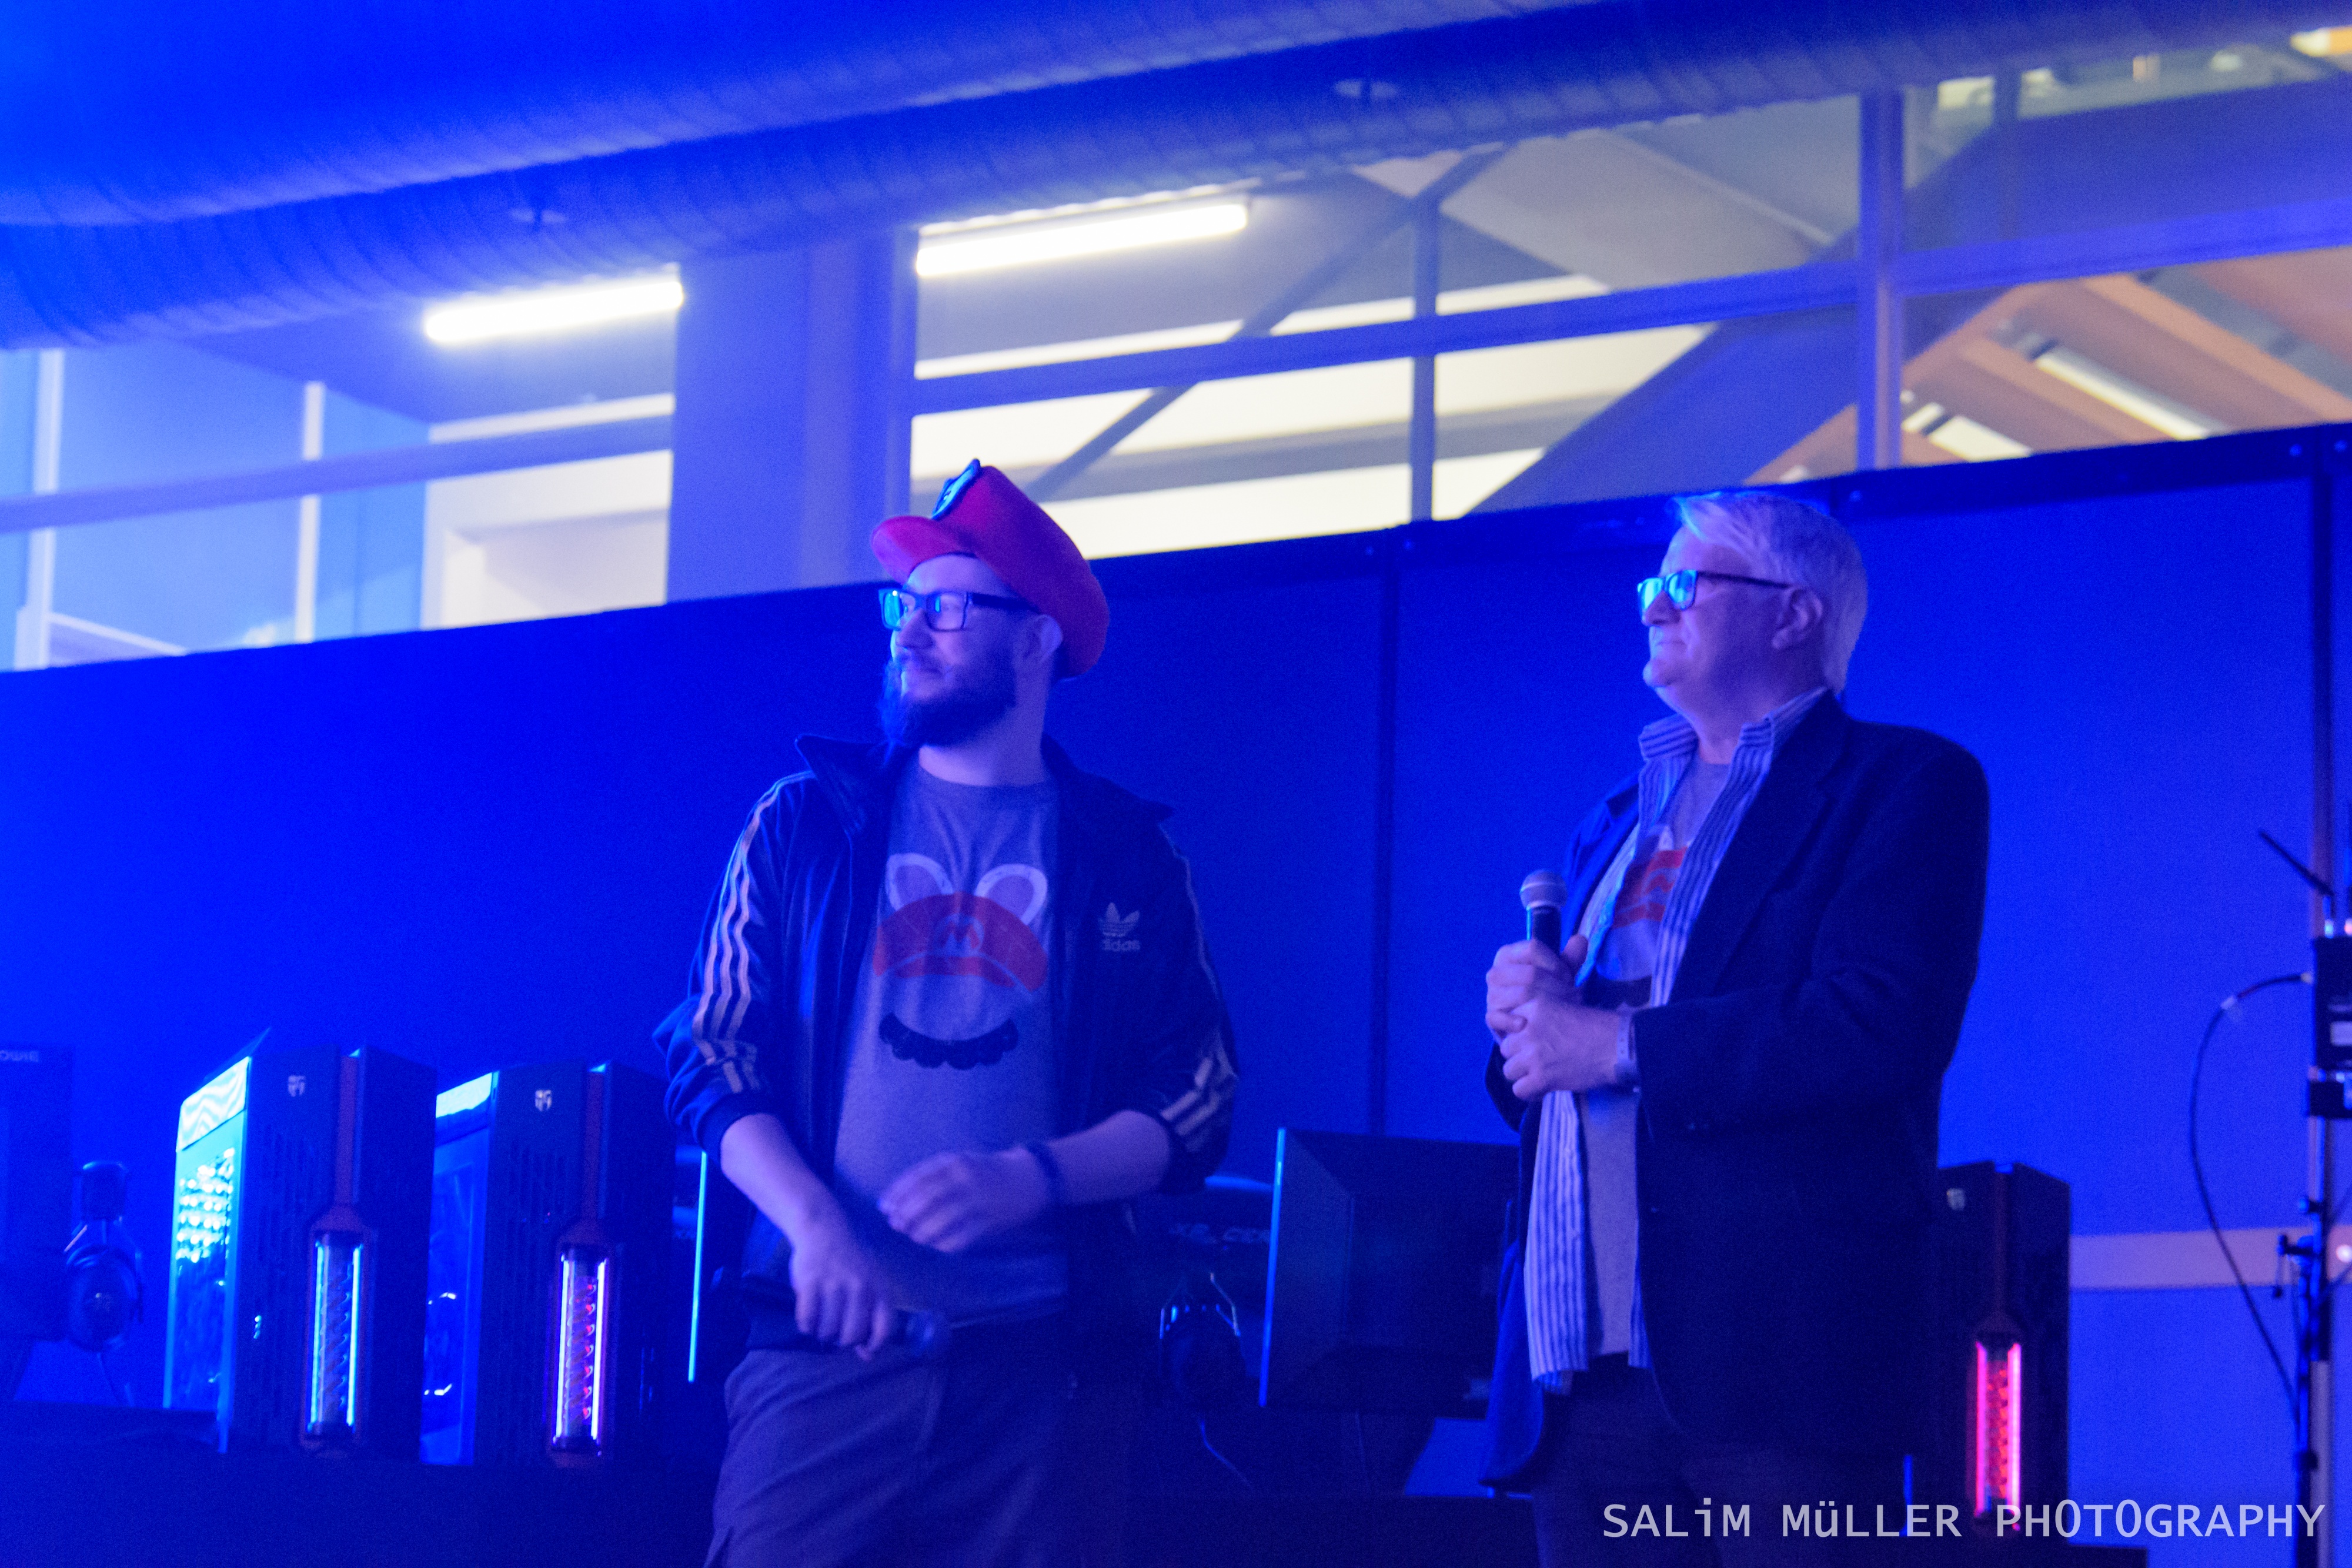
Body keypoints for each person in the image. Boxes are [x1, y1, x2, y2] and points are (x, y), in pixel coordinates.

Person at [660, 460, 1238, 1568]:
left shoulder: (1127, 857)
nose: (911, 633)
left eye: (950, 608)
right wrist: (814, 1226)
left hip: (1042, 1380)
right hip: (822, 1359)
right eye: (904, 606)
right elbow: (712, 1053)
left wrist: (1035, 1178)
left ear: (1037, 640)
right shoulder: (804, 826)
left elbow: (1199, 1094)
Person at [1479, 489, 1989, 1567]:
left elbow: (1882, 1020)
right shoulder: (1615, 819)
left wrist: (1615, 1045)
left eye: (1684, 583)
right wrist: (1524, 1028)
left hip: (1779, 1364)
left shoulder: (1904, 784)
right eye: (1651, 585)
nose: (1652, 607)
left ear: (1793, 613)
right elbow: (1557, 1080)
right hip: (1579, 1370)